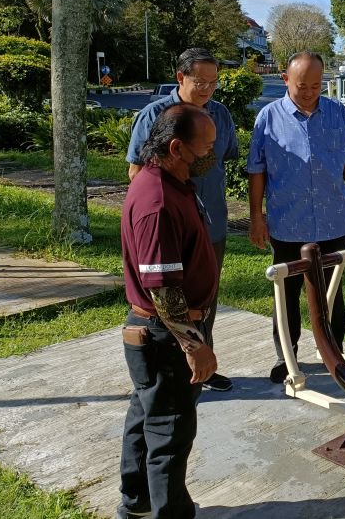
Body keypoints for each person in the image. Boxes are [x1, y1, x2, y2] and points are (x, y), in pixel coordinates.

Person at [118, 104, 219, 519]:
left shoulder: (171, 180)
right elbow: (164, 289)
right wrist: (193, 346)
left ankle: (137, 502)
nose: (212, 156)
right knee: (170, 432)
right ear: (176, 147)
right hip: (165, 334)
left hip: (157, 333)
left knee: (147, 417)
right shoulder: (157, 200)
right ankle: (168, 512)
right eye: (205, 149)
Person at [247, 51, 345, 384]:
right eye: (303, 86)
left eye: (316, 85)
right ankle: (286, 356)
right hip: (287, 223)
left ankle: (334, 353)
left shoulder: (336, 113)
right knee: (286, 295)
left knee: (332, 292)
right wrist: (257, 216)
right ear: (286, 80)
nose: (310, 91)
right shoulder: (268, 118)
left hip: (331, 220)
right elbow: (256, 172)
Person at [127, 48, 238, 392]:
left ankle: (204, 362)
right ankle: (176, 366)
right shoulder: (156, 116)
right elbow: (137, 170)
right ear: (180, 77)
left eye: (213, 82)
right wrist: (161, 214)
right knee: (169, 295)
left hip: (210, 224)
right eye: (199, 81)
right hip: (171, 226)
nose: (207, 89)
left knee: (204, 299)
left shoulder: (219, 115)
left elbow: (225, 163)